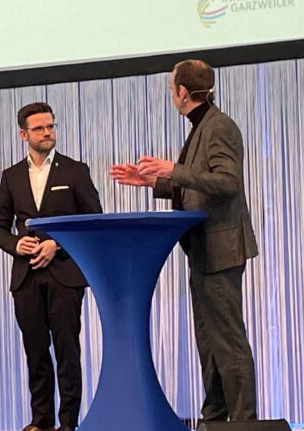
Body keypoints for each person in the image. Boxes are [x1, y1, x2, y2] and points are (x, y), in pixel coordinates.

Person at [110, 59, 258, 422]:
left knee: (227, 341)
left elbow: (227, 182)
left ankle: (244, 422)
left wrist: (174, 170)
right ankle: (214, 418)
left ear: (181, 92)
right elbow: (198, 186)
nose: (171, 95)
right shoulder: (203, 125)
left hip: (221, 250)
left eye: (171, 89)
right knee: (208, 342)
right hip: (204, 251)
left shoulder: (218, 126)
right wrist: (153, 182)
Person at [0, 102, 102, 431]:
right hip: (26, 276)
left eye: (50, 126)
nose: (47, 132)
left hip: (64, 274)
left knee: (67, 351)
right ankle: (41, 422)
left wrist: (58, 244)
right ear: (23, 134)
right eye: (39, 128)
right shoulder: (11, 175)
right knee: (35, 352)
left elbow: (92, 220)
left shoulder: (75, 171)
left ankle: (68, 423)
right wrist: (16, 244)